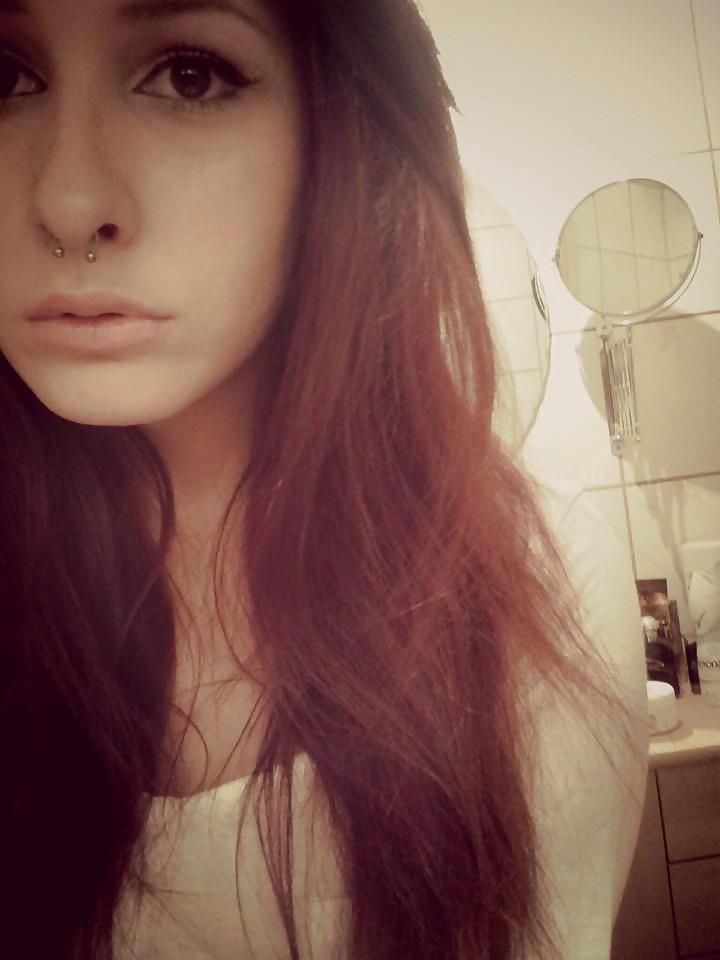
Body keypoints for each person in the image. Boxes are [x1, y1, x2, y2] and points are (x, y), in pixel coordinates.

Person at [0, 1, 649, 958]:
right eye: (5, 77)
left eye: (189, 75)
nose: (67, 200)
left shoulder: (539, 594)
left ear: (337, 136)